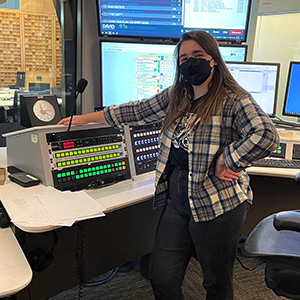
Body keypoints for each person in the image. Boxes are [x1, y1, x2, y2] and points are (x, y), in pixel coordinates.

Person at [58, 30, 279, 299]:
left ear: (214, 60)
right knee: (162, 277)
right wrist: (84, 119)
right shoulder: (179, 94)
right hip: (177, 196)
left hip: (218, 201)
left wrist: (227, 158)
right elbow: (137, 111)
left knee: (215, 283)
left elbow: (266, 136)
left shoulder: (233, 98)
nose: (190, 62)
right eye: (184, 58)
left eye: (198, 56)